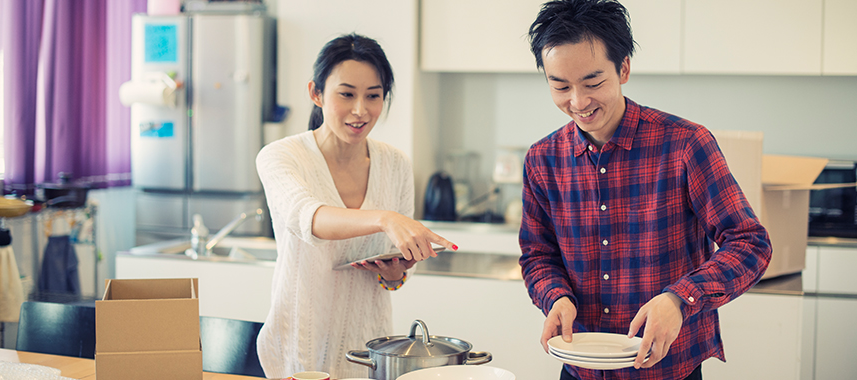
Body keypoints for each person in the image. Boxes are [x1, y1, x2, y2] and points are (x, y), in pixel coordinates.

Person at [518, 1, 773, 379]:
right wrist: (554, 296)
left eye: (593, 83)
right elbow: (538, 255)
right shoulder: (543, 160)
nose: (578, 101)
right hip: (581, 368)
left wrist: (680, 299)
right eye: (560, 86)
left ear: (623, 69)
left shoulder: (686, 144)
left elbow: (751, 244)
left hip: (668, 369)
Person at [255, 33, 457, 379]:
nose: (360, 110)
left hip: (371, 351)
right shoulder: (281, 155)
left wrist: (396, 272)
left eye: (373, 96)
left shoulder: (395, 164)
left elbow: (394, 274)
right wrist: (384, 219)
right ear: (315, 93)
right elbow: (308, 218)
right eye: (346, 94)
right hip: (298, 349)